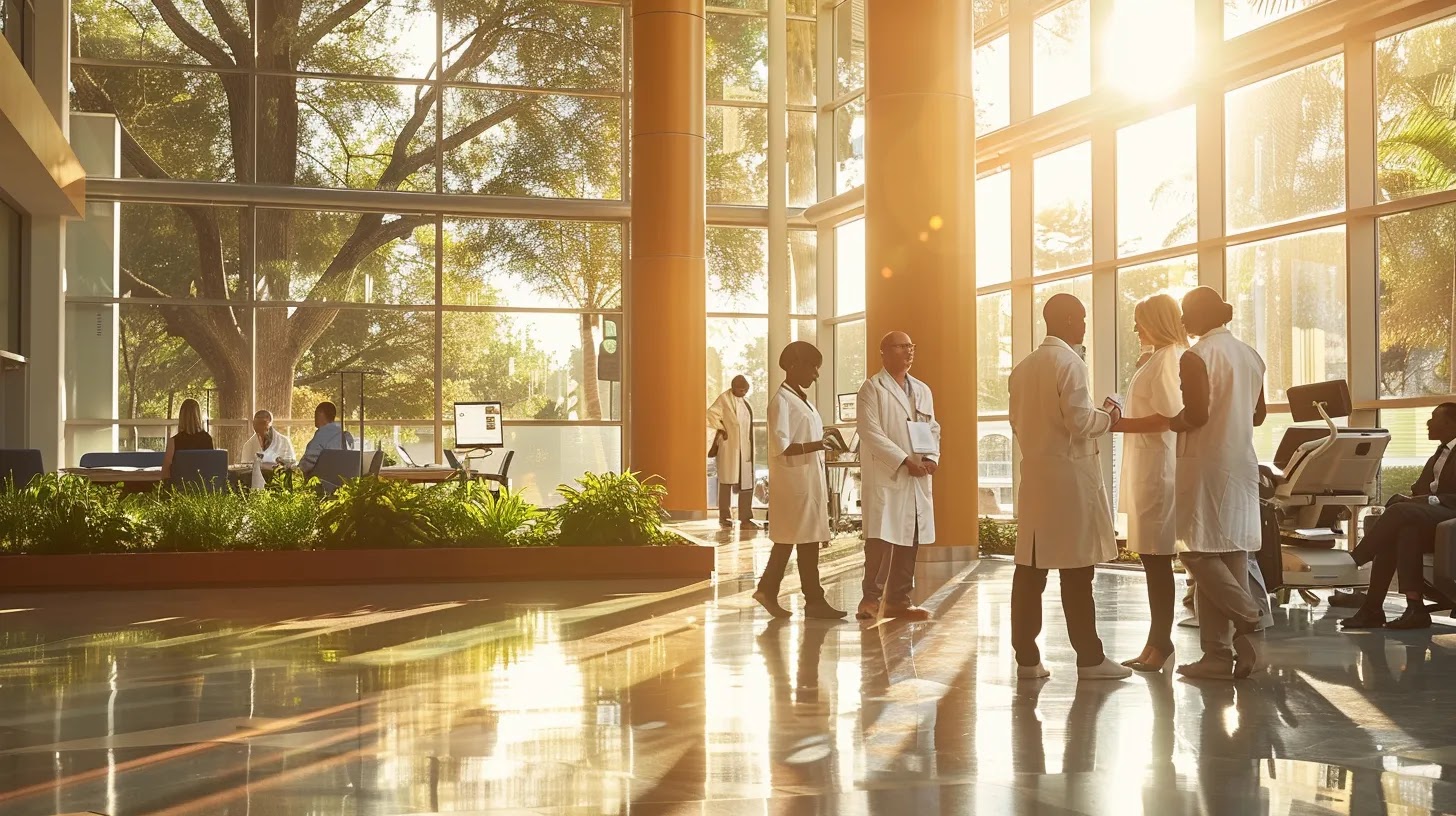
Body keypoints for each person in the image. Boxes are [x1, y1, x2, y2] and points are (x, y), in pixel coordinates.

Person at [1007, 294, 1131, 681]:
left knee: (1030, 568)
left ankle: (1026, 659)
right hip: (1070, 481)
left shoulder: (1023, 369)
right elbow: (1080, 421)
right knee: (1077, 572)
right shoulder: (1069, 362)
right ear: (1064, 319)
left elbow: (1016, 423)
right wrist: (1108, 417)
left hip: (1036, 477)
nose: (1083, 326)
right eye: (1079, 319)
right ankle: (1090, 659)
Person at [1168, 286, 1267, 680]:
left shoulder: (1197, 356)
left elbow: (1195, 415)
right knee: (1230, 553)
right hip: (1241, 459)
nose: (1183, 321)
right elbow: (1257, 415)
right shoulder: (1251, 356)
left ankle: (1248, 616)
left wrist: (1169, 420)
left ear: (1205, 314)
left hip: (1207, 463)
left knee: (1195, 550)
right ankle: (1216, 655)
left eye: (1187, 312)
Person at [1109, 294, 1186, 672]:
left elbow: (1168, 417)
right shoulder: (1158, 357)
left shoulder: (1169, 358)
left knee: (1158, 560)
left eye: (1140, 321)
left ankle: (1161, 644)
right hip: (1148, 467)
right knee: (1153, 561)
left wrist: (1119, 423)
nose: (1136, 328)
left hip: (1159, 471)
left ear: (1156, 321)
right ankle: (1156, 641)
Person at [1341, 403, 1456, 631]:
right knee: (1404, 530)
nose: (1428, 423)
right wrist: (1412, 499)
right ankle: (1406, 608)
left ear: (1452, 423)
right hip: (1433, 518)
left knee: (1399, 511)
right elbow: (1422, 489)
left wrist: (1420, 502)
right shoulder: (1439, 453)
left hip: (1451, 516)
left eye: (1434, 417)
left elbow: (1443, 496)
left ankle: (1355, 559)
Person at [753, 341, 845, 620]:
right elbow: (781, 446)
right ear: (794, 366)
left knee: (803, 539)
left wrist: (824, 443)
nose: (816, 375)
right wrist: (819, 444)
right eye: (813, 367)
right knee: (796, 538)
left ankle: (779, 592)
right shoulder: (781, 402)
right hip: (794, 484)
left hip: (807, 481)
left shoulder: (801, 400)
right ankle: (807, 599)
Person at [855, 331, 939, 622]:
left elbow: (932, 427)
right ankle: (870, 600)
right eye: (902, 346)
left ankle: (899, 601)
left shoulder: (922, 390)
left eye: (911, 346)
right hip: (888, 476)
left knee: (910, 537)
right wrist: (903, 461)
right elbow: (870, 432)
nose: (909, 351)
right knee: (881, 539)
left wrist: (931, 457)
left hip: (916, 476)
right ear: (884, 352)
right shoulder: (872, 388)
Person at [707, 375, 758, 530]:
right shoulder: (724, 399)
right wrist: (721, 429)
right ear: (733, 387)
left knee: (747, 482)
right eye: (740, 389)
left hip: (745, 447)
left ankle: (746, 518)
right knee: (726, 482)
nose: (743, 392)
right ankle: (725, 517)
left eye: (745, 390)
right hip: (730, 447)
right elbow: (710, 414)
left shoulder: (746, 402)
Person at [161, 398, 215, 479]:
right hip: (202, 487)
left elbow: (165, 471)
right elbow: (211, 466)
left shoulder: (173, 441)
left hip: (180, 487)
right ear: (198, 416)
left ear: (181, 417)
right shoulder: (208, 439)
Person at [300, 401, 356, 475]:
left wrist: (293, 470)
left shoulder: (322, 437)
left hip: (324, 481)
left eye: (315, 413)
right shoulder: (345, 436)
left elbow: (306, 465)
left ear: (320, 413)